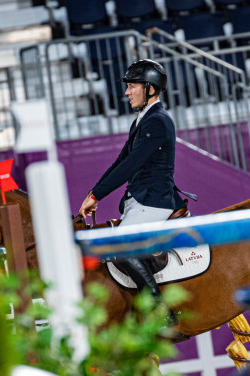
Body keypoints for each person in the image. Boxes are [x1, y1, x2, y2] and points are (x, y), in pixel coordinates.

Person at [78, 59, 190, 327]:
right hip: (140, 200)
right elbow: (120, 162)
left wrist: (96, 196)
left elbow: (130, 166)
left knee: (122, 248)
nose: (127, 92)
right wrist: (93, 194)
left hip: (155, 201)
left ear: (150, 89)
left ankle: (161, 312)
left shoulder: (158, 122)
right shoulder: (143, 120)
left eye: (132, 86)